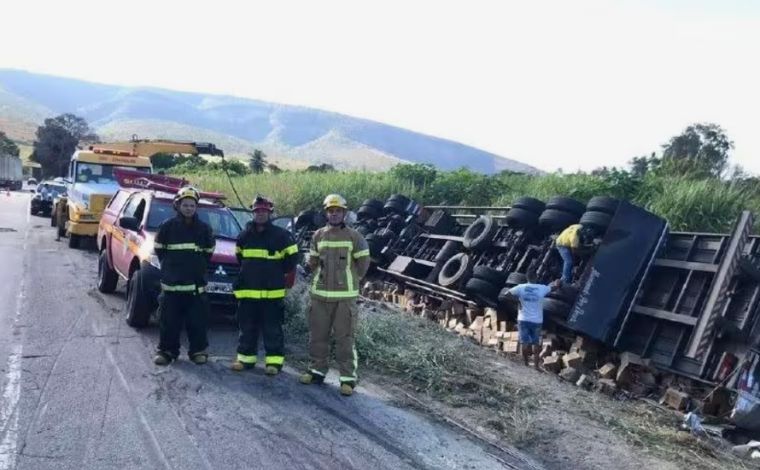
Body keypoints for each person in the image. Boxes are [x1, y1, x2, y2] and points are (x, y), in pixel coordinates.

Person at [300, 194, 370, 396]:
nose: (334, 214)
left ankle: (347, 379)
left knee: (345, 338)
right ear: (326, 213)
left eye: (338, 211)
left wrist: (352, 280)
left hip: (344, 298)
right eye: (331, 211)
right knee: (318, 336)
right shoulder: (318, 235)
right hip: (319, 296)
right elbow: (312, 263)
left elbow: (363, 264)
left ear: (344, 213)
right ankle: (316, 371)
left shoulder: (355, 237)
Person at [231, 196, 299, 375]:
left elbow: (291, 260)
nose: (260, 214)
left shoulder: (282, 236)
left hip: (272, 293)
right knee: (247, 327)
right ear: (253, 213)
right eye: (257, 211)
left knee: (272, 328)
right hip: (248, 292)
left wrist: (274, 275)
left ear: (270, 213)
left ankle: (274, 363)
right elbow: (240, 259)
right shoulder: (244, 236)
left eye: (264, 211)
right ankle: (246, 360)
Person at [153, 186, 216, 365]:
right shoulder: (166, 227)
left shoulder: (204, 229)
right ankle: (166, 352)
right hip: (171, 287)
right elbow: (159, 251)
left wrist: (195, 267)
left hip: (195, 288)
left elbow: (208, 253)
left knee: (197, 322)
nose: (189, 208)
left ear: (196, 208)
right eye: (185, 205)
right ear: (178, 205)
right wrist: (171, 269)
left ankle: (198, 351)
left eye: (192, 205)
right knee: (169, 322)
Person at [507, 272, 558, 369]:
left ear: (527, 278)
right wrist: (558, 283)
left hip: (523, 319)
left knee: (524, 343)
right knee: (536, 343)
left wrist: (518, 301)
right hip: (536, 320)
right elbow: (554, 287)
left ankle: (526, 363)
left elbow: (507, 293)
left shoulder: (520, 287)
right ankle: (536, 366)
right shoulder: (541, 288)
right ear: (536, 278)